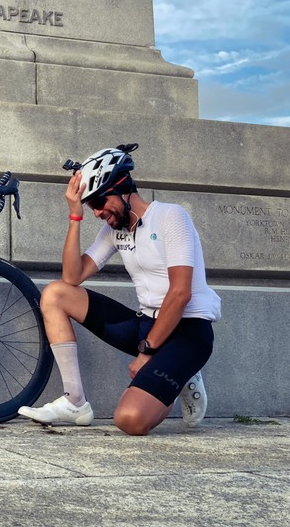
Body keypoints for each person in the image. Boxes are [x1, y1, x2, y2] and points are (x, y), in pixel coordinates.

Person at [18, 144, 221, 435]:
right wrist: (75, 216)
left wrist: (148, 355)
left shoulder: (171, 217)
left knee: (130, 420)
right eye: (92, 207)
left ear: (123, 188)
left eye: (100, 203)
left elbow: (180, 294)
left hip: (187, 331)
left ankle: (182, 372)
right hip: (146, 325)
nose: (98, 212)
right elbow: (72, 276)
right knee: (55, 294)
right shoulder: (116, 230)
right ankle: (75, 401)